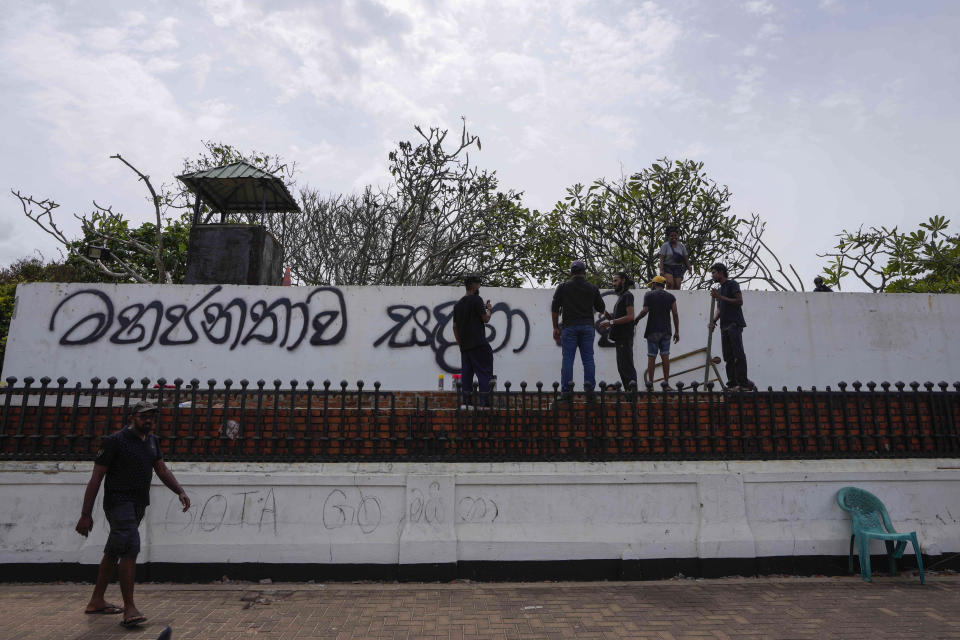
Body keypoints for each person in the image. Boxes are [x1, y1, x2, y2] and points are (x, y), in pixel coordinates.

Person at [75, 401, 190, 628]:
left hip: (138, 504)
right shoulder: (114, 442)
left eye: (152, 417)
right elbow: (96, 478)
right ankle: (129, 608)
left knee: (114, 549)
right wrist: (85, 514)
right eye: (143, 416)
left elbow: (162, 470)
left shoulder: (153, 442)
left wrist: (180, 491)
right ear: (132, 417)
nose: (148, 420)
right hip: (118, 503)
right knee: (130, 546)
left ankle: (96, 601)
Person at [551, 260, 606, 399]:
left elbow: (555, 308)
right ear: (584, 272)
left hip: (569, 327)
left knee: (568, 359)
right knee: (588, 359)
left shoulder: (563, 287)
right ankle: (590, 392)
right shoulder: (592, 288)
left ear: (571, 272)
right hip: (587, 326)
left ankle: (566, 392)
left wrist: (555, 327)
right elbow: (601, 307)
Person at [708, 263, 756, 391]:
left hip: (734, 323)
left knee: (737, 354)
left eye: (713, 272)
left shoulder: (732, 284)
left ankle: (744, 383)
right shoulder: (719, 290)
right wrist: (713, 321)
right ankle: (733, 384)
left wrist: (720, 297)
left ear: (721, 272)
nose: (712, 275)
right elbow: (719, 309)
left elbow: (739, 301)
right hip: (724, 326)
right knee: (728, 356)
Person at [453, 275, 494, 408]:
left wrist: (461, 343)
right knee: (484, 372)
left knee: (467, 375)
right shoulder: (476, 300)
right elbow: (486, 319)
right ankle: (485, 402)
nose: (479, 287)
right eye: (478, 284)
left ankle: (467, 402)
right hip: (478, 344)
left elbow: (454, 327)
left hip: (465, 347)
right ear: (473, 286)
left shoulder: (458, 305)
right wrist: (489, 309)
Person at [634, 275, 680, 388]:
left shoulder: (649, 295)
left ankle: (650, 383)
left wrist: (636, 320)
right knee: (665, 356)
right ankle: (666, 383)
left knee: (651, 357)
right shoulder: (671, 297)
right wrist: (677, 332)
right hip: (666, 331)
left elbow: (645, 311)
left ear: (654, 284)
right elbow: (675, 314)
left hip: (652, 330)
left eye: (652, 285)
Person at [599, 271, 637, 389]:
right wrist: (606, 314)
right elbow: (617, 319)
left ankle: (632, 395)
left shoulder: (628, 295)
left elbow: (630, 316)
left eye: (616, 280)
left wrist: (611, 322)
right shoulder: (622, 297)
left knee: (626, 367)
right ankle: (629, 394)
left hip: (625, 337)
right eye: (613, 281)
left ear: (623, 280)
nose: (613, 283)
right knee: (622, 368)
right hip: (620, 338)